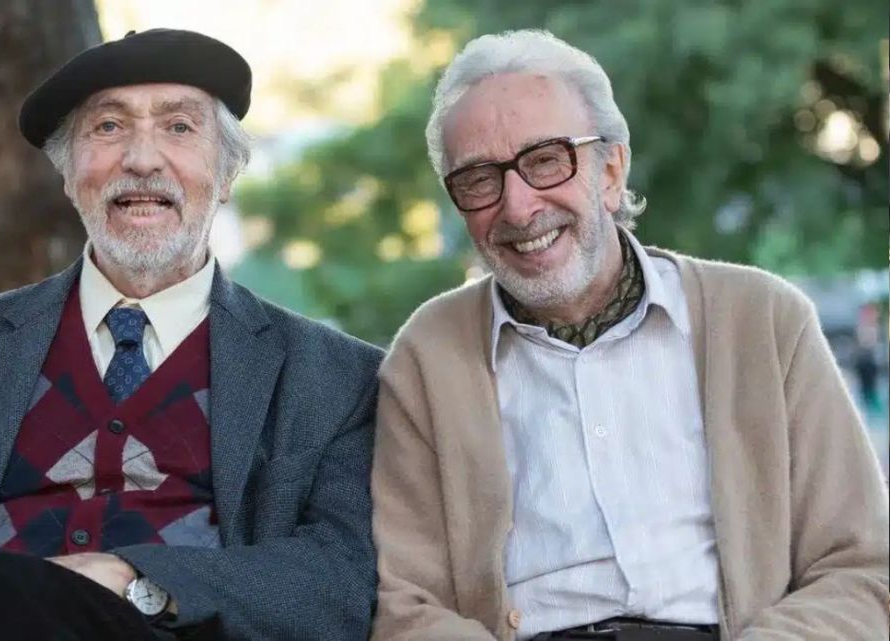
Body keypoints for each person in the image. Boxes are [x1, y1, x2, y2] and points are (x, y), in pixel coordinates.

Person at [0, 29, 382, 641]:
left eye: (179, 127)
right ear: (69, 177)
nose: (142, 159)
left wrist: (134, 582)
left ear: (226, 176)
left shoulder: (336, 378)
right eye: (109, 127)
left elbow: (341, 582)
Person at [370, 29, 889, 641]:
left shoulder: (764, 322)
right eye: (479, 179)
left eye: (546, 160)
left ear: (611, 171)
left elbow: (861, 570)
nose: (517, 207)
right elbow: (406, 604)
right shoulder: (428, 357)